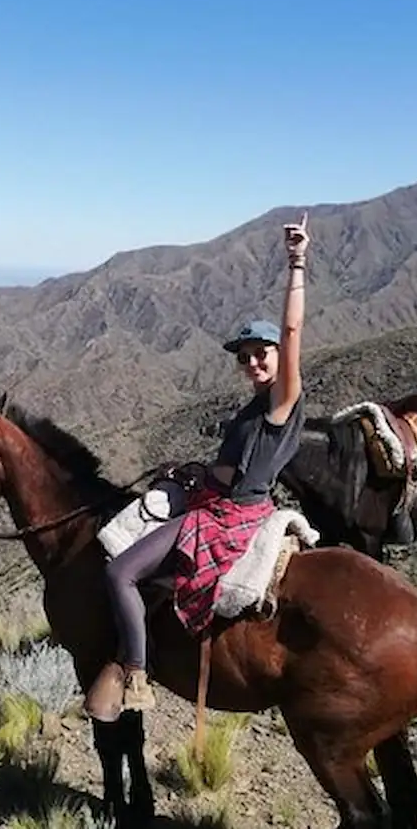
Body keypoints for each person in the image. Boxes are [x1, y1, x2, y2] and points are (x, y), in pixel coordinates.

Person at [99, 213, 311, 712]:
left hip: (224, 517)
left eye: (263, 353)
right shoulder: (258, 405)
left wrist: (297, 262)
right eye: (245, 357)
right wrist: (200, 472)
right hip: (220, 498)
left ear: (280, 356)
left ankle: (136, 674)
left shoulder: (283, 399)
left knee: (120, 575)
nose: (254, 363)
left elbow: (294, 327)